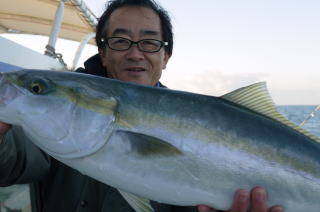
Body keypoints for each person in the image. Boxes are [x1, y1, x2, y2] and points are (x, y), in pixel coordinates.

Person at [0, 0, 284, 211]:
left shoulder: (197, 116)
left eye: (149, 43)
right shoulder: (51, 118)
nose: (135, 53)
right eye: (121, 41)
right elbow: (12, 163)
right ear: (104, 51)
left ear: (166, 56)